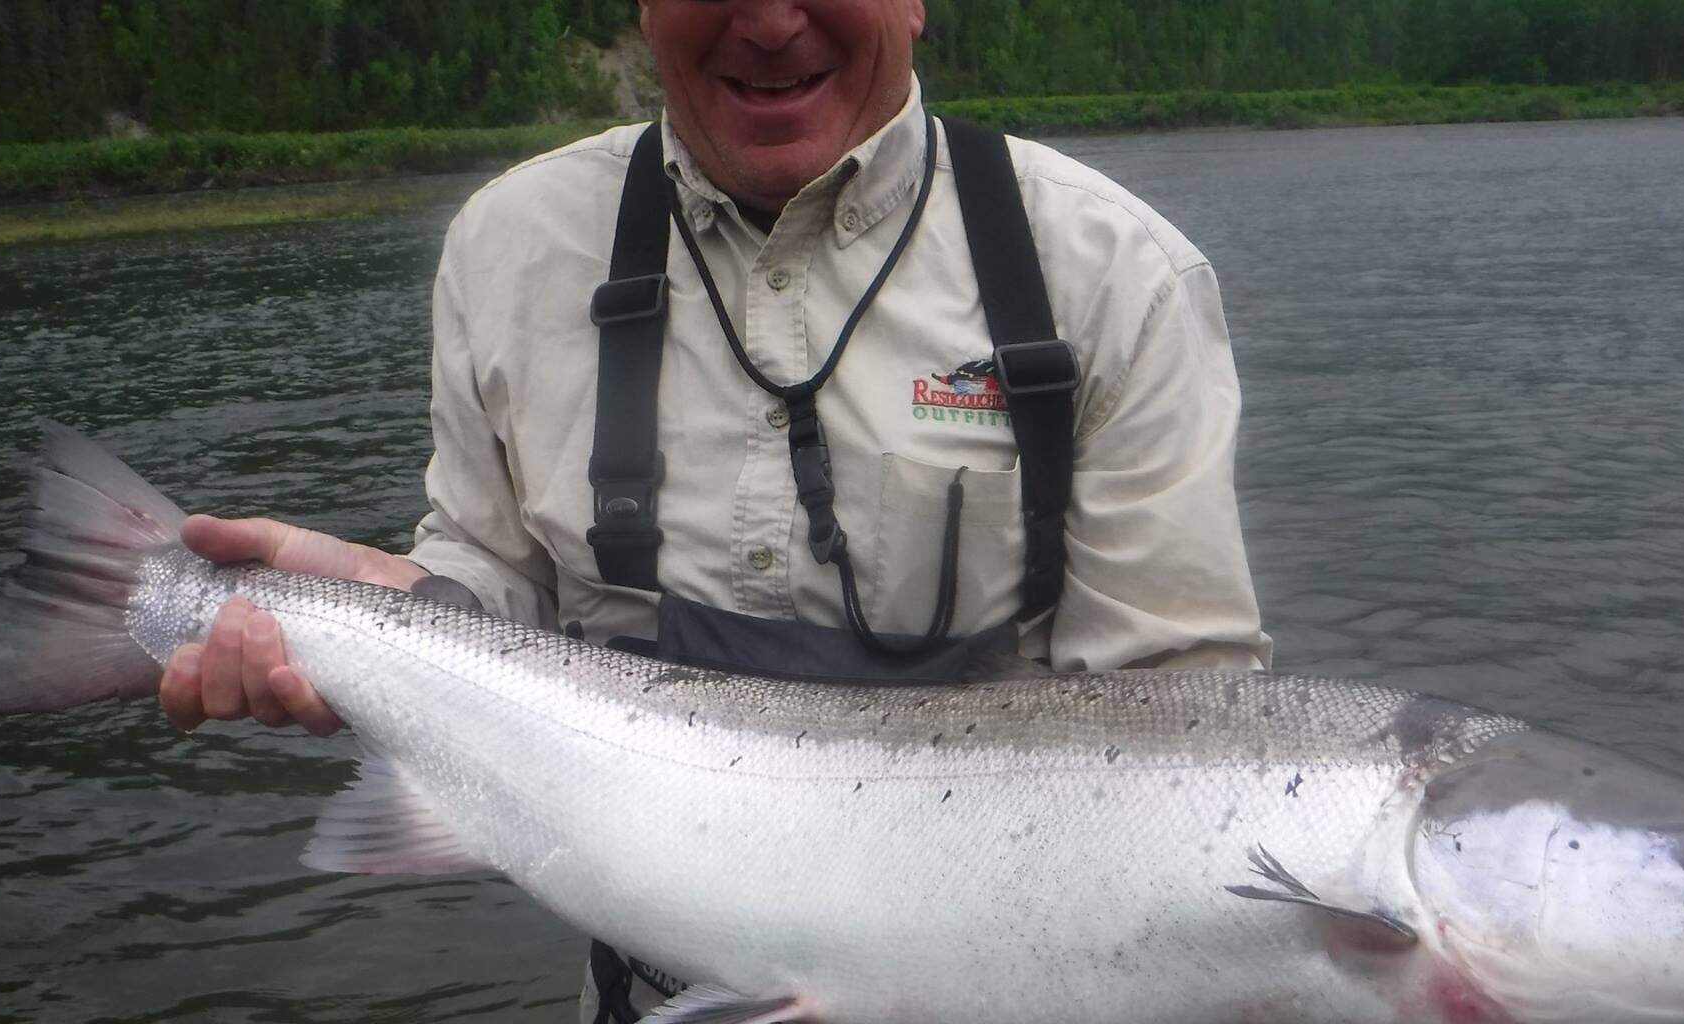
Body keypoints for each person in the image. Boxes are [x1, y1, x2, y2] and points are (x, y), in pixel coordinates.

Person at [158, 0, 1273, 1018]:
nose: (773, 21)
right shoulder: (507, 245)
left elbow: (1190, 735)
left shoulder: (1118, 276)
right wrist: (392, 615)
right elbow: (495, 571)